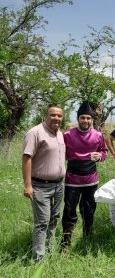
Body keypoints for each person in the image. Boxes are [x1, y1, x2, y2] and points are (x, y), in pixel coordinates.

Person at [61, 101, 108, 248]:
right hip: (72, 180)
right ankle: (66, 244)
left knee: (88, 210)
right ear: (78, 118)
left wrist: (100, 156)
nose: (86, 121)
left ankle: (87, 238)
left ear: (92, 120)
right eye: (83, 118)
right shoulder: (67, 135)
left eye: (88, 118)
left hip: (90, 180)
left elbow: (104, 151)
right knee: (69, 211)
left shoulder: (98, 135)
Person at [22, 105, 65, 262]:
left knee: (54, 218)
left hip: (59, 185)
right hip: (40, 185)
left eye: (59, 116)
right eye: (53, 115)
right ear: (45, 115)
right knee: (42, 223)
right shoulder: (35, 132)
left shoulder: (59, 134)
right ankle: (39, 260)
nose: (56, 118)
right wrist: (28, 185)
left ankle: (50, 251)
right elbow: (26, 158)